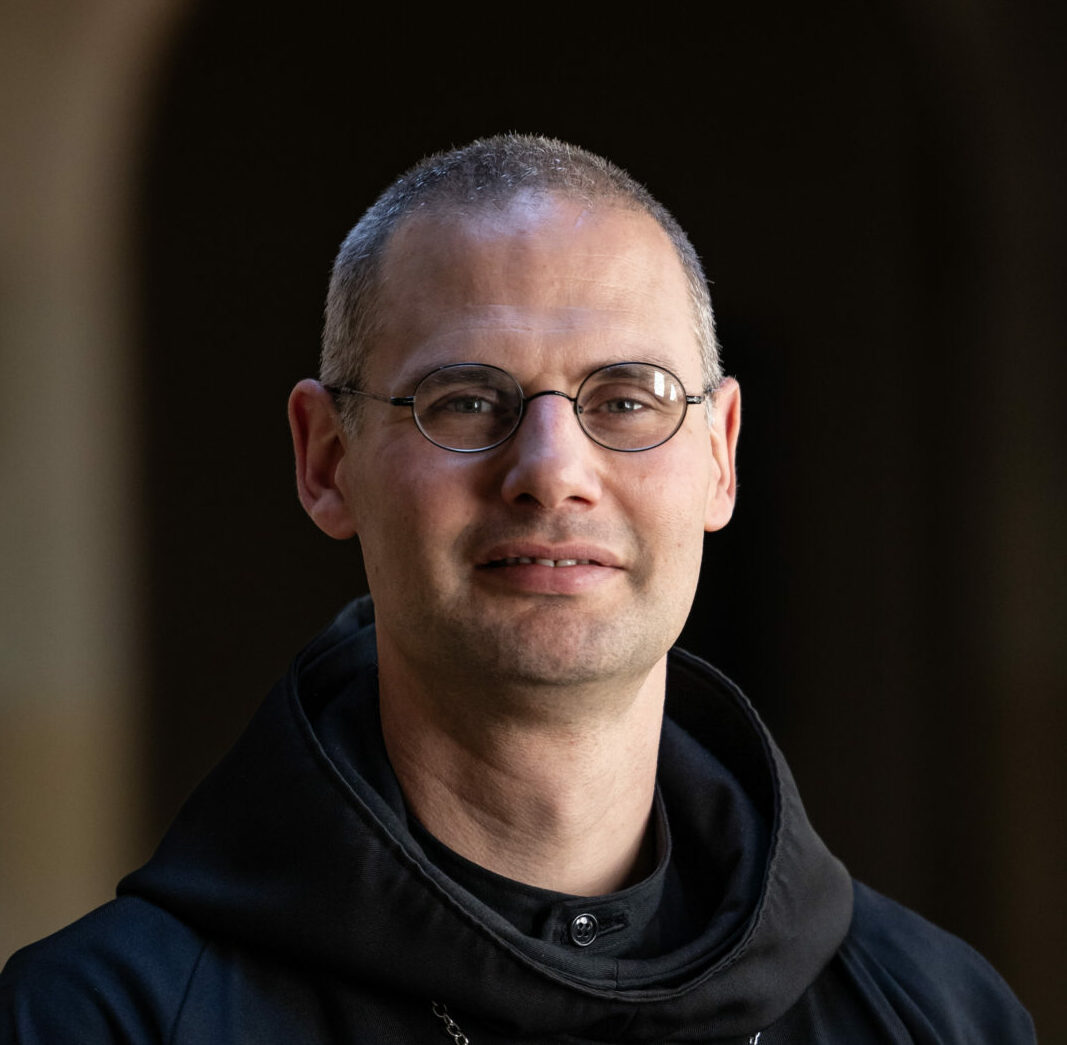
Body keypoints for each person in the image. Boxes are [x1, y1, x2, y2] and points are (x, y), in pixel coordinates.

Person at [1, 135, 1035, 1044]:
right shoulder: (100, 1019)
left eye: (625, 399)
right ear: (325, 460)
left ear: (719, 458)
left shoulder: (933, 1014)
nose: (550, 469)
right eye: (464, 400)